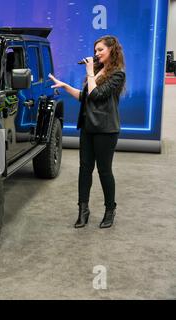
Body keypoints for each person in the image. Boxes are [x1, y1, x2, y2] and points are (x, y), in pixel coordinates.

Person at [49, 35, 126, 229]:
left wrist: (90, 71)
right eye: (96, 50)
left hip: (106, 130)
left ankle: (110, 209)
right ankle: (83, 210)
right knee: (85, 170)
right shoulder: (97, 73)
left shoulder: (117, 74)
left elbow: (97, 95)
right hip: (88, 127)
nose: (96, 53)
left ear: (112, 50)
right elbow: (85, 97)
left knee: (104, 171)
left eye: (101, 50)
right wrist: (66, 87)